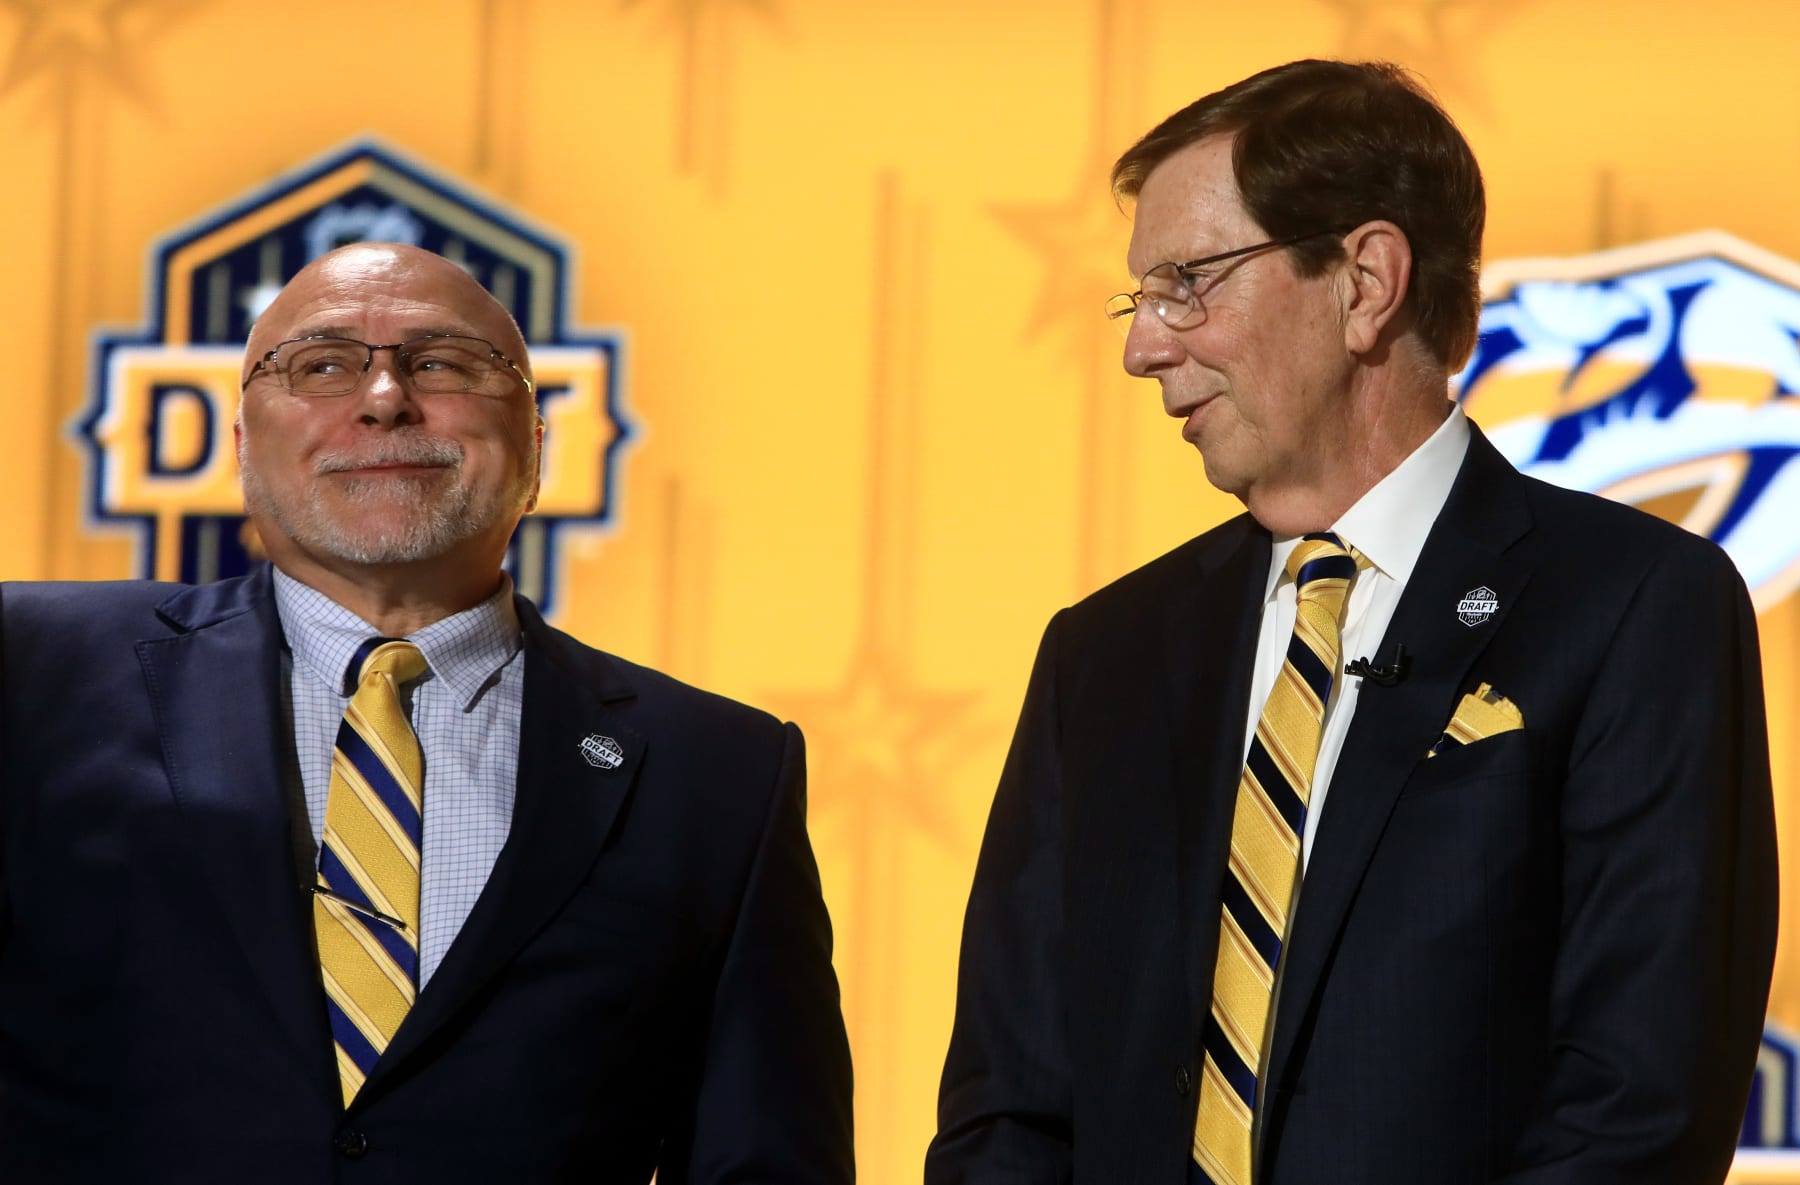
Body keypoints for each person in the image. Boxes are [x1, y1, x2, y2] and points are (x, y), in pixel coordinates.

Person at [926, 59, 1777, 1185]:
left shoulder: (1632, 606)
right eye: (1142, 299)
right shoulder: (1106, 655)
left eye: (1189, 283)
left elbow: (1637, 1110)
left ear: (1365, 282)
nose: (1143, 347)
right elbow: (1008, 1111)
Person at [0, 242, 853, 1183]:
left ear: (536, 447)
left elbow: (765, 1158)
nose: (383, 399)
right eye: (321, 365)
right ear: (242, 444)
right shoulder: (28, 669)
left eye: (443, 363)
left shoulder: (720, 771)